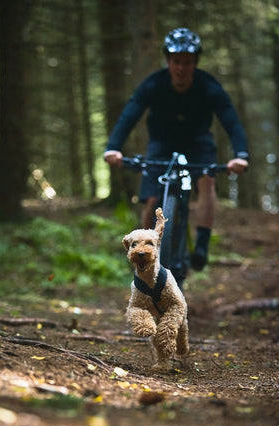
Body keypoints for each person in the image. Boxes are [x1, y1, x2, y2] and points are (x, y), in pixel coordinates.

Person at [104, 27, 249, 272]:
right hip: (162, 141)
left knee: (206, 180)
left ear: (195, 63)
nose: (181, 68)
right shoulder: (154, 84)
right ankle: (144, 255)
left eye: (187, 62)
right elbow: (130, 114)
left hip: (198, 141)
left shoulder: (208, 86)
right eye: (176, 62)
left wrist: (241, 155)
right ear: (168, 61)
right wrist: (113, 148)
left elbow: (231, 120)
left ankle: (201, 245)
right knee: (152, 199)